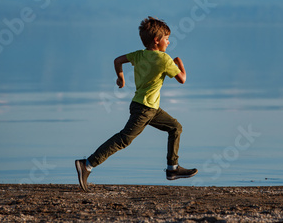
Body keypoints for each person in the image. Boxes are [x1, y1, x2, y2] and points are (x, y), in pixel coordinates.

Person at [75, 17, 197, 192]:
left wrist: (120, 78)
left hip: (146, 107)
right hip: (145, 110)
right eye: (167, 38)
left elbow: (117, 60)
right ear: (157, 40)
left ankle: (172, 169)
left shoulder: (139, 55)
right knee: (124, 139)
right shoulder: (164, 59)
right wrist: (180, 64)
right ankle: (86, 164)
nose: (169, 42)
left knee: (175, 127)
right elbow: (183, 80)